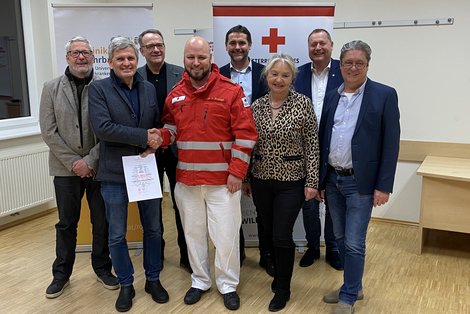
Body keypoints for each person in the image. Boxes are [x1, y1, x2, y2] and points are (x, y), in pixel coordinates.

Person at [158, 36, 258, 311]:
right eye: (191, 57)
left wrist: (237, 173)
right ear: (184, 59)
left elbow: (246, 135)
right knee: (193, 235)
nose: (196, 62)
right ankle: (200, 281)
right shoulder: (175, 94)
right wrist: (160, 137)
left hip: (222, 184)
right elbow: (171, 129)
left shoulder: (231, 91)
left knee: (225, 238)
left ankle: (227, 285)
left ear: (210, 58)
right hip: (187, 182)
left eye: (201, 57)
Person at [318, 40, 400, 314]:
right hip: (333, 181)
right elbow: (323, 140)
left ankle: (349, 296)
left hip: (361, 184)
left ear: (367, 65)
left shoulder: (384, 95)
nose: (353, 68)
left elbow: (391, 144)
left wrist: (383, 186)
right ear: (340, 65)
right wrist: (320, 181)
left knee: (354, 242)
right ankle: (354, 285)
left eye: (359, 63)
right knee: (340, 239)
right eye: (348, 63)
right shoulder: (333, 95)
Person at [88, 37, 168, 312]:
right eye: (120, 59)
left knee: (154, 228)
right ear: (110, 63)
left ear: (138, 60)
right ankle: (125, 283)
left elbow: (156, 123)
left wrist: (157, 137)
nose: (126, 63)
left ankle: (153, 279)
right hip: (114, 173)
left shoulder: (147, 88)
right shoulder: (98, 90)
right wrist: (144, 137)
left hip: (146, 168)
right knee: (117, 235)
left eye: (131, 58)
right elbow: (103, 128)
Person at [40, 36, 118, 299]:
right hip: (65, 170)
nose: (81, 57)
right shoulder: (50, 88)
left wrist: (90, 161)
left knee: (101, 222)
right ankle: (61, 274)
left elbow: (107, 131)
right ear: (67, 57)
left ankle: (102, 268)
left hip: (98, 167)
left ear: (92, 57)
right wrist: (75, 163)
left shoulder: (105, 87)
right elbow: (49, 132)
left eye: (85, 52)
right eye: (76, 52)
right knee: (66, 224)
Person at [244, 53, 319, 312]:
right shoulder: (257, 106)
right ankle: (278, 276)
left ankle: (283, 288)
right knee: (267, 230)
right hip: (261, 179)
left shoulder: (303, 104)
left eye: (285, 75)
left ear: (292, 78)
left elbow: (312, 145)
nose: (279, 79)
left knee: (281, 234)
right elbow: (248, 145)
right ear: (266, 77)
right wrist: (245, 177)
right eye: (274, 74)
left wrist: (312, 181)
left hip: (292, 182)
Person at [219, 24, 272, 275]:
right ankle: (236, 254)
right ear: (226, 46)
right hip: (228, 151)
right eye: (232, 43)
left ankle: (266, 254)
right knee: (230, 207)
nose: (237, 47)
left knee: (263, 206)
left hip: (262, 149)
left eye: (242, 42)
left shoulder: (265, 74)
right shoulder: (215, 74)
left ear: (250, 45)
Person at [137, 29, 190, 272]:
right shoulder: (134, 77)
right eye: (150, 46)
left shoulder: (182, 74)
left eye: (159, 44)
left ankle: (187, 255)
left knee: (183, 205)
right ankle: (155, 254)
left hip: (177, 149)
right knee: (151, 204)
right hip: (147, 151)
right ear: (142, 51)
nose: (156, 49)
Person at [294, 28, 343, 270]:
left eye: (322, 43)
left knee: (333, 202)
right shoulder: (298, 74)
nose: (318, 48)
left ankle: (332, 247)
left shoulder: (344, 72)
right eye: (313, 44)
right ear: (308, 48)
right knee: (310, 202)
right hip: (305, 150)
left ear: (331, 45)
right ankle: (313, 246)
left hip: (334, 146)